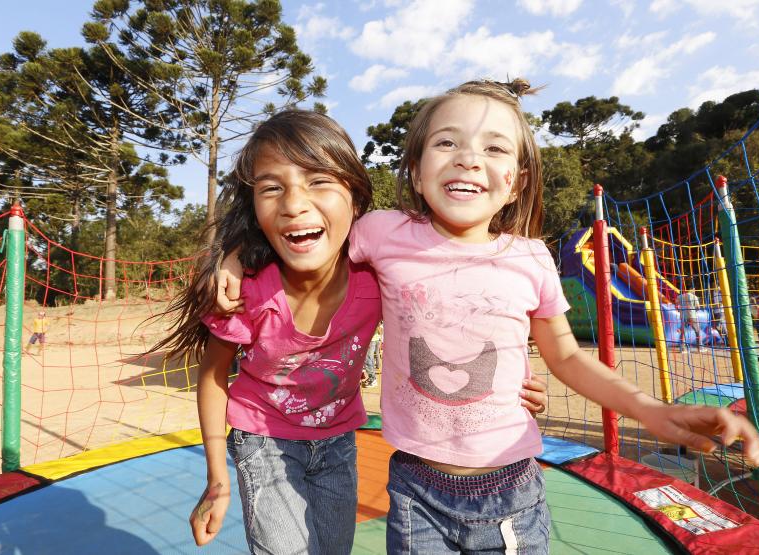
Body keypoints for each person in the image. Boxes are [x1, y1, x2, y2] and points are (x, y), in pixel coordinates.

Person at [217, 79, 759, 554]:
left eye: (494, 148)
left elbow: (567, 357)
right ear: (415, 168)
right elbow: (307, 231)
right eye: (446, 142)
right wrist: (237, 256)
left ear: (517, 181)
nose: (468, 157)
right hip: (414, 487)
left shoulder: (530, 259)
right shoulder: (382, 233)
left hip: (510, 485)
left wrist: (649, 409)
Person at [154, 109, 549, 554]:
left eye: (319, 181)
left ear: (356, 201)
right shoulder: (247, 289)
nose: (293, 204)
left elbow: (453, 307)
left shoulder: (376, 273)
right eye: (272, 188)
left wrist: (507, 384)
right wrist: (216, 478)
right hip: (263, 439)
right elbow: (212, 377)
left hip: (338, 440)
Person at [362, 322, 382, 388]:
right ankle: (372, 378)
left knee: (367, 360)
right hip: (376, 338)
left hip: (372, 339)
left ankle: (372, 379)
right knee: (371, 359)